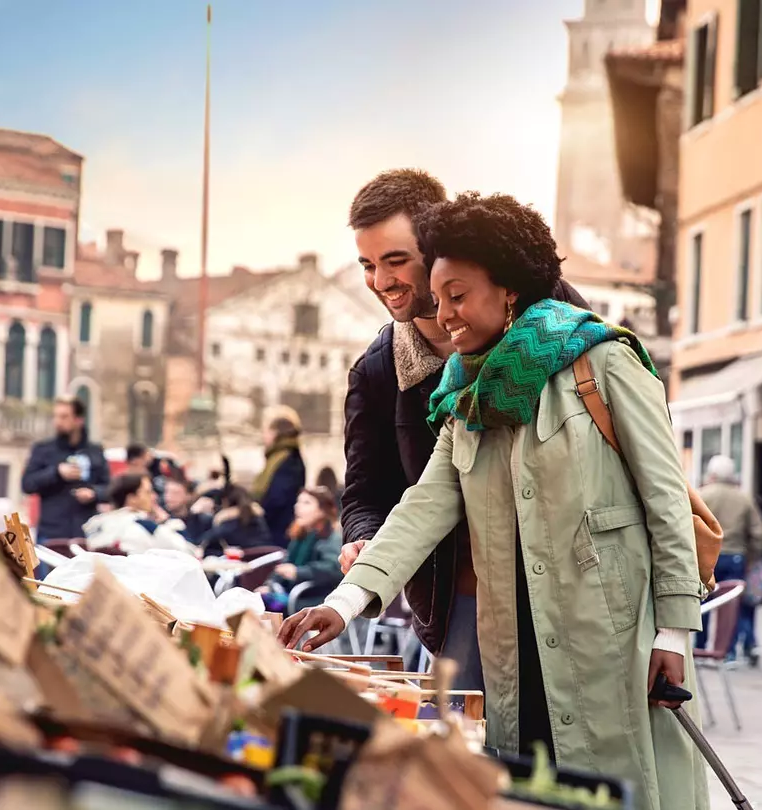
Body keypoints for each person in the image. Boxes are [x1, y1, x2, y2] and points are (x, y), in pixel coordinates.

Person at [281, 192, 708, 810]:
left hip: (612, 636)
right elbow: (424, 507)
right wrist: (344, 604)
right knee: (528, 786)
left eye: (458, 295)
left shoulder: (605, 362)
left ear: (507, 291)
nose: (444, 313)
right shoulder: (463, 399)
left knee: (623, 790)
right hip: (510, 639)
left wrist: (674, 632)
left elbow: (666, 501)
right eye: (439, 296)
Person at [338, 169, 590, 693]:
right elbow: (369, 491)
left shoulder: (552, 313)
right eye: (367, 265)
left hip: (576, 579)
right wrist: (362, 540)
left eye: (395, 260)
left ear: (435, 245)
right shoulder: (378, 370)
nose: (381, 282)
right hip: (465, 596)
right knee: (470, 745)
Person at [697, 455, 762, 665]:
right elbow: (758, 534)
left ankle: (700, 647)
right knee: (730, 606)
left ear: (712, 474)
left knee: (704, 602)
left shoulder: (701, 495)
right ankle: (728, 653)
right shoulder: (744, 499)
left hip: (708, 557)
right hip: (736, 557)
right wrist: (751, 558)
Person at [21, 396, 110, 546]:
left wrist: (94, 493)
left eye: (64, 417)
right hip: (52, 535)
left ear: (78, 419)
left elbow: (109, 488)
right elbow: (27, 484)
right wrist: (56, 473)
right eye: (56, 416)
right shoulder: (43, 450)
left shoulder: (95, 451)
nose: (58, 422)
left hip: (86, 534)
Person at [259, 487, 343, 615]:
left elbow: (333, 568)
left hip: (313, 598)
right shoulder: (301, 535)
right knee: (254, 599)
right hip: (291, 593)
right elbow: (284, 565)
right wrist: (269, 585)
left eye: (306, 503)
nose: (297, 507)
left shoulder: (330, 538)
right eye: (298, 502)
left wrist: (298, 572)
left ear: (322, 510)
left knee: (265, 605)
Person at [83, 472, 194, 556]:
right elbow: (188, 553)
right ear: (132, 499)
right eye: (148, 492)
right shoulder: (145, 526)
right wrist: (166, 522)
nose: (154, 496)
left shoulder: (95, 523)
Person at [252, 409, 305, 545]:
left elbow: (278, 497)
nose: (264, 436)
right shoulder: (280, 457)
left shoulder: (288, 460)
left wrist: (257, 513)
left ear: (276, 433)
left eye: (266, 431)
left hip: (278, 530)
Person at [194, 486, 273, 555]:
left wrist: (194, 512)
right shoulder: (258, 518)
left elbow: (201, 541)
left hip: (243, 565)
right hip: (266, 561)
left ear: (225, 501)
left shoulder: (228, 522)